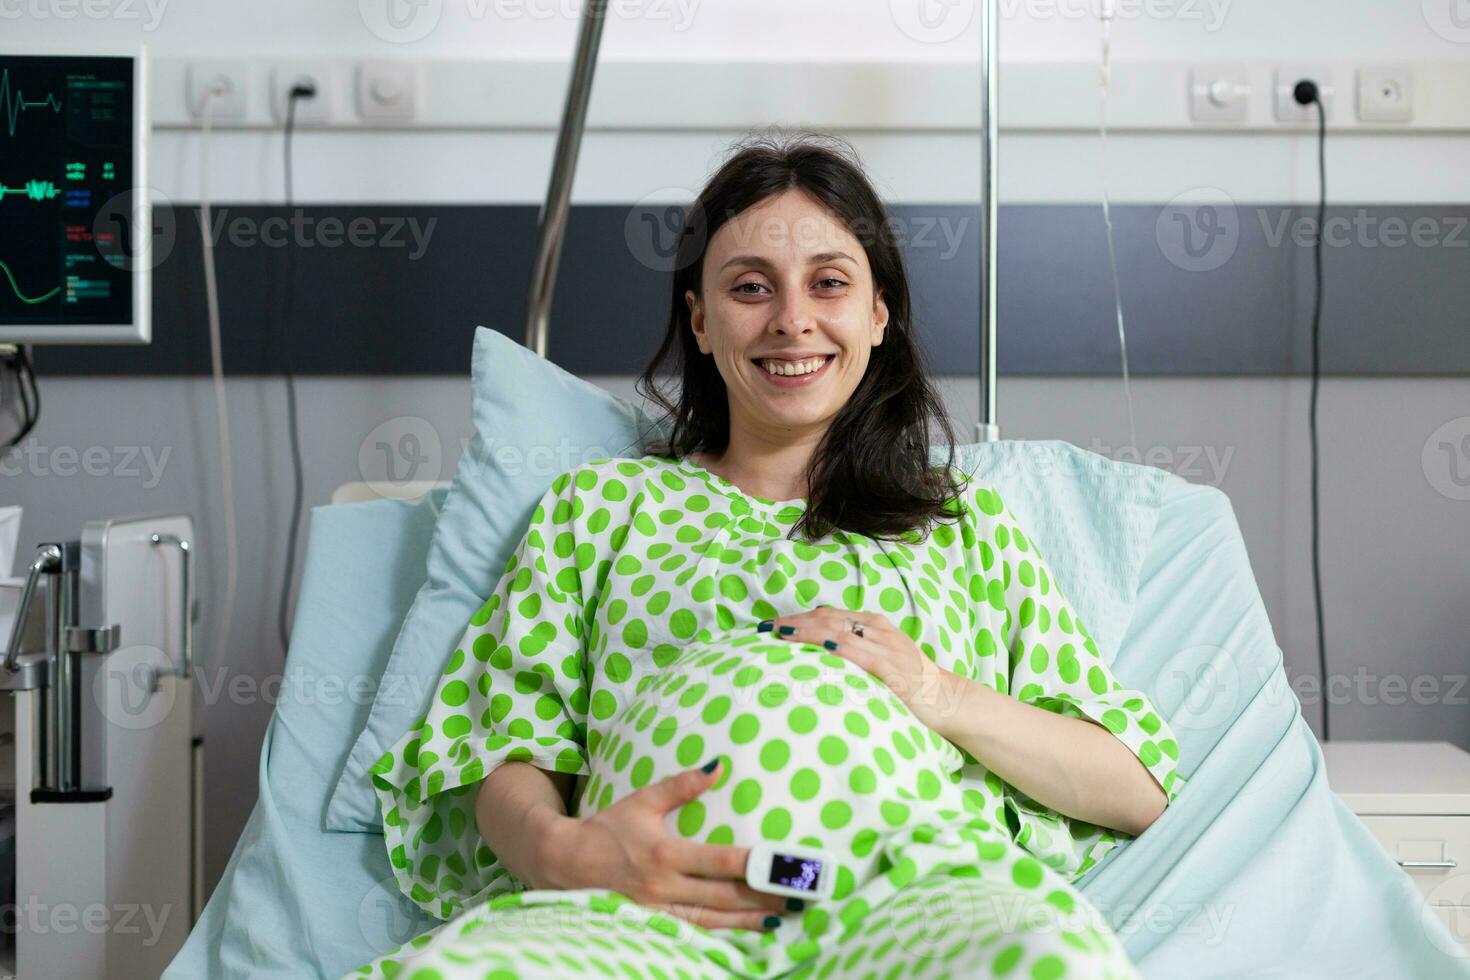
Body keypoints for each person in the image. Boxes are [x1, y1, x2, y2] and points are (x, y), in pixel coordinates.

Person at [354, 131, 1186, 980]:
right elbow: (502, 747)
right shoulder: (600, 508)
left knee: (1054, 961)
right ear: (701, 322)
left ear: (877, 313)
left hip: (908, 900)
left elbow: (1132, 785)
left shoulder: (961, 525)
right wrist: (563, 857)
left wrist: (939, 692)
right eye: (750, 288)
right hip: (636, 908)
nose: (792, 319)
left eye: (829, 283)